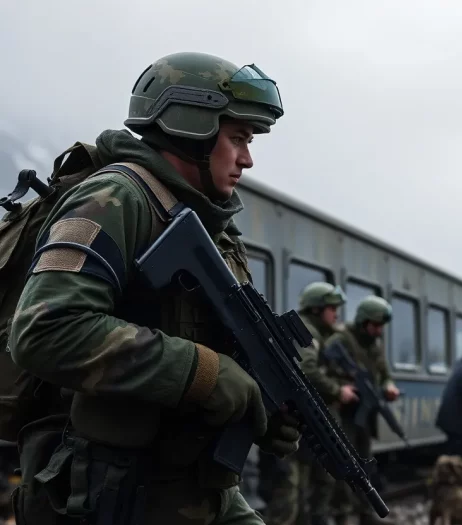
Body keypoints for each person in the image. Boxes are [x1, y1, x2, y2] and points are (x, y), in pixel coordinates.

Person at [8, 52, 301, 525]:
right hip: (112, 491)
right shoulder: (115, 198)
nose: (247, 158)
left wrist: (258, 406)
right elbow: (46, 329)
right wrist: (207, 374)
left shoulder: (215, 230)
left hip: (195, 488)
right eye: (238, 138)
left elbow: (220, 352)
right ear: (193, 125)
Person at [264, 282, 358, 525]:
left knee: (303, 489)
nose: (336, 313)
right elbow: (307, 370)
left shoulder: (317, 333)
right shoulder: (309, 331)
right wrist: (338, 390)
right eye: (332, 307)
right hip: (292, 420)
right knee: (291, 492)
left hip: (297, 421)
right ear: (317, 309)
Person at [324, 296, 399, 525]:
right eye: (375, 326)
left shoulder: (373, 346)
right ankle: (341, 515)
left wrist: (388, 386)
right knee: (345, 465)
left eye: (381, 327)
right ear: (363, 322)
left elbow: (384, 374)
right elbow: (324, 369)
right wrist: (343, 386)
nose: (379, 331)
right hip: (343, 413)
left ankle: (365, 513)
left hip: (362, 417)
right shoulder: (341, 340)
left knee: (365, 463)